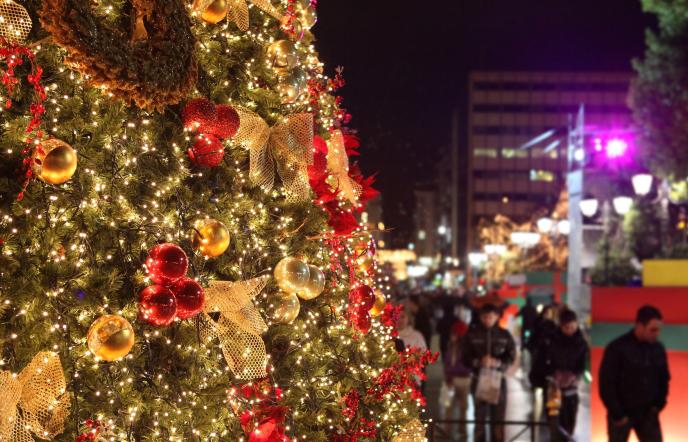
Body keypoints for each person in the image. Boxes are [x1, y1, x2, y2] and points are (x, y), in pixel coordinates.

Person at [599, 305, 670, 442]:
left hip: (647, 413)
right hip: (621, 414)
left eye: (659, 330)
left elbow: (664, 378)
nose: (657, 333)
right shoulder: (617, 348)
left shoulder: (658, 349)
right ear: (639, 326)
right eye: (653, 330)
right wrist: (618, 414)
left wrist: (659, 404)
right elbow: (606, 384)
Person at [531, 309, 588, 441]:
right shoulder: (550, 341)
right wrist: (552, 374)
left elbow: (583, 366)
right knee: (554, 426)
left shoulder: (581, 344)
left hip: (571, 391)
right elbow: (541, 362)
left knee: (569, 425)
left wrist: (576, 376)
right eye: (566, 327)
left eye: (573, 327)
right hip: (553, 389)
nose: (570, 330)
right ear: (560, 326)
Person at [462, 303, 516, 442]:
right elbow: (465, 357)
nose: (487, 320)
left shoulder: (505, 334)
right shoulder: (472, 334)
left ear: (496, 317)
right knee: (479, 420)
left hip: (498, 380)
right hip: (479, 379)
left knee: (498, 421)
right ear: (480, 317)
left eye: (490, 317)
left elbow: (511, 356)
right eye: (485, 317)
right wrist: (478, 362)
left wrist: (498, 363)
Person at [443, 320, 471, 441]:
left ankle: (460, 430)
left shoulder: (463, 348)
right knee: (451, 407)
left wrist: (450, 374)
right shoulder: (451, 346)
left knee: (461, 407)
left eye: (454, 333)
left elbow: (460, 365)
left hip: (459, 380)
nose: (451, 335)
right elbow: (447, 363)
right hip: (453, 380)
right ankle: (451, 431)